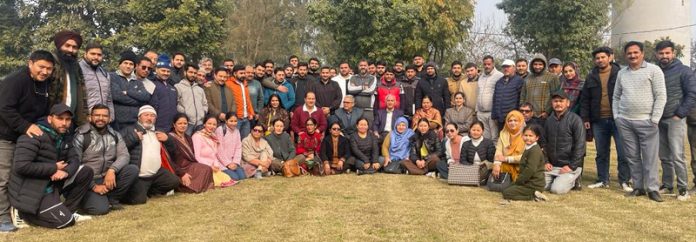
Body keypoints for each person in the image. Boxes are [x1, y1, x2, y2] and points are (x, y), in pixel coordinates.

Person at [9, 104, 93, 229]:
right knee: (66, 222)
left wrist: (66, 172)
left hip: (51, 183)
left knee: (86, 171)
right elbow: (21, 166)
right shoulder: (33, 135)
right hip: (31, 189)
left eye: (68, 119)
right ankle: (22, 213)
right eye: (60, 118)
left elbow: (74, 159)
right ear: (50, 119)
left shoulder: (64, 136)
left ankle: (67, 210)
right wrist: (53, 168)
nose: (64, 123)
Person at [0, 50, 56, 231]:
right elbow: (5, 108)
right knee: (4, 177)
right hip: (6, 137)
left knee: (23, 175)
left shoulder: (45, 84)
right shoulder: (15, 80)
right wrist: (25, 126)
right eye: (41, 67)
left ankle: (23, 213)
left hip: (26, 138)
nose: (45, 71)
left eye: (49, 68)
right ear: (30, 63)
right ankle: (2, 219)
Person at [614, 41, 666, 202]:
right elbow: (616, 96)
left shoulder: (654, 70)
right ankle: (638, 187)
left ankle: (653, 189)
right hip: (625, 122)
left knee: (650, 157)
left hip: (647, 122)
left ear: (642, 53)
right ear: (625, 55)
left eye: (636, 52)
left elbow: (661, 96)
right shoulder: (622, 73)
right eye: (629, 53)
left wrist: (655, 119)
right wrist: (617, 116)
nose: (632, 55)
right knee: (632, 156)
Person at [581, 47, 632, 192]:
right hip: (598, 120)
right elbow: (585, 99)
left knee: (623, 152)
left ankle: (625, 181)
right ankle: (603, 179)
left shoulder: (621, 73)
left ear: (610, 57)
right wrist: (586, 118)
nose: (600, 60)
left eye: (603, 57)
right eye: (597, 58)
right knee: (601, 152)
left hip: (619, 119)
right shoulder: (591, 76)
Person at [74, 104, 138, 215]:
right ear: (90, 117)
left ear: (109, 118)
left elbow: (124, 155)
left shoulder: (115, 135)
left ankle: (112, 198)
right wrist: (93, 186)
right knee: (100, 210)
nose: (100, 118)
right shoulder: (81, 135)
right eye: (97, 115)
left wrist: (112, 169)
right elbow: (75, 164)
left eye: (104, 116)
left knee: (132, 169)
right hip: (88, 180)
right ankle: (85, 200)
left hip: (108, 177)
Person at [654, 40, 696, 200]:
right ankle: (667, 184)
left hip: (675, 118)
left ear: (673, 53)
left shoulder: (684, 71)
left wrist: (680, 113)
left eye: (667, 53)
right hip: (659, 119)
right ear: (657, 54)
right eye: (661, 53)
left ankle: (683, 188)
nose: (664, 56)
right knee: (664, 155)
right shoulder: (656, 71)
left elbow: (692, 94)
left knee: (678, 154)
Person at [120, 105, 181, 205]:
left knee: (174, 181)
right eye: (146, 115)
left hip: (156, 174)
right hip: (139, 176)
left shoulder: (159, 131)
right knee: (139, 201)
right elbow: (118, 148)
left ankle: (149, 191)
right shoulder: (129, 130)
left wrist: (168, 139)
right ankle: (137, 192)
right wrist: (134, 138)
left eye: (152, 115)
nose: (149, 118)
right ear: (139, 117)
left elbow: (174, 150)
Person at [543, 91, 585, 195]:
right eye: (555, 101)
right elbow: (544, 143)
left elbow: (580, 146)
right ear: (552, 103)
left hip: (569, 166)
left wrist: (571, 166)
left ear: (568, 103)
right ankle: (557, 180)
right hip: (553, 166)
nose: (558, 104)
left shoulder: (576, 120)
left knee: (557, 190)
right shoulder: (548, 121)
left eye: (561, 101)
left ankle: (574, 180)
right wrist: (546, 161)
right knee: (539, 185)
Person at [49, 30, 89, 125]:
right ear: (59, 46)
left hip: (71, 121)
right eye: (67, 46)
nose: (71, 50)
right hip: (52, 120)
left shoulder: (76, 67)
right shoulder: (50, 63)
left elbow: (82, 95)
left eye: (74, 47)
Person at [169, 114, 214, 193]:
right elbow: (170, 160)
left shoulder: (188, 137)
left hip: (190, 165)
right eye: (180, 123)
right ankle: (192, 188)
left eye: (185, 123)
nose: (183, 126)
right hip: (178, 168)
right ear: (174, 125)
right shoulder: (170, 138)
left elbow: (192, 156)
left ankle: (199, 186)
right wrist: (181, 173)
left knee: (207, 169)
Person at [501, 124, 547, 202]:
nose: (528, 138)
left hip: (533, 183)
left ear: (537, 138)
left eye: (531, 136)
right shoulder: (528, 147)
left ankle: (533, 195)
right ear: (522, 136)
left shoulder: (534, 150)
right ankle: (531, 193)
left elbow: (530, 169)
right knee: (505, 188)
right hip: (526, 181)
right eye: (525, 135)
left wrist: (520, 181)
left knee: (507, 193)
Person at [193, 115, 245, 181]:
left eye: (214, 124)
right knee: (234, 178)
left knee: (242, 177)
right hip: (206, 166)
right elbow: (197, 157)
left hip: (216, 165)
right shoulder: (197, 136)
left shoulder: (213, 137)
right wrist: (226, 164)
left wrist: (235, 162)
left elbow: (215, 154)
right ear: (204, 124)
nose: (212, 126)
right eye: (209, 124)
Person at [111, 52, 151, 131]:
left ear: (134, 67)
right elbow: (117, 96)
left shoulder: (137, 81)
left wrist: (128, 92)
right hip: (116, 123)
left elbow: (146, 97)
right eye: (125, 63)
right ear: (120, 64)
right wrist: (138, 101)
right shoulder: (112, 77)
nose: (128, 66)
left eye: (131, 64)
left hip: (134, 122)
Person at [79, 42, 114, 122]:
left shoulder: (104, 73)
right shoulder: (77, 69)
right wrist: (84, 117)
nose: (96, 57)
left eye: (99, 55)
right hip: (84, 120)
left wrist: (111, 116)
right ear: (85, 54)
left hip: (102, 120)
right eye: (93, 54)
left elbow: (109, 98)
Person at [519, 54, 559, 120]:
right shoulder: (527, 78)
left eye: (540, 64)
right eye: (535, 64)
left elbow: (555, 96)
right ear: (532, 65)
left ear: (544, 65)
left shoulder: (552, 77)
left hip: (544, 116)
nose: (537, 67)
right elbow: (523, 96)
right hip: (529, 116)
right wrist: (523, 110)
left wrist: (547, 111)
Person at [491, 111, 525, 183]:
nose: (512, 123)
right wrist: (497, 164)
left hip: (521, 166)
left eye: (515, 120)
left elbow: (525, 157)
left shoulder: (526, 136)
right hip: (505, 165)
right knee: (496, 167)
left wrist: (507, 159)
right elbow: (498, 151)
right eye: (510, 121)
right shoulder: (503, 134)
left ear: (521, 122)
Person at [175, 63, 208, 135]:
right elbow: (176, 103)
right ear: (185, 72)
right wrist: (185, 113)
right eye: (190, 72)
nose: (193, 74)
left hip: (199, 123)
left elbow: (205, 104)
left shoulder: (200, 89)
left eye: (195, 73)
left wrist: (203, 112)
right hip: (187, 123)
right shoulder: (178, 87)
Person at [477, 55, 504, 141]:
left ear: (493, 64)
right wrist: (476, 110)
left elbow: (501, 94)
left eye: (489, 64)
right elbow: (478, 93)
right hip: (481, 113)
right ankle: (488, 154)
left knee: (495, 137)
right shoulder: (481, 77)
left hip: (492, 112)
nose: (486, 66)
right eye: (485, 64)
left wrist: (497, 112)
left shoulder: (499, 76)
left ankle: (496, 154)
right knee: (485, 137)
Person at [149, 55, 178, 132]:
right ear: (157, 70)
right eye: (163, 70)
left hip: (172, 128)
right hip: (157, 127)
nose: (166, 73)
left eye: (168, 71)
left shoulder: (173, 88)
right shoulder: (151, 84)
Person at [492, 59, 524, 130]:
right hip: (500, 118)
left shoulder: (519, 81)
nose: (505, 69)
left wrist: (518, 115)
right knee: (502, 138)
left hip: (512, 118)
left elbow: (521, 99)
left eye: (508, 67)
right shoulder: (499, 82)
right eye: (504, 67)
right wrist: (494, 115)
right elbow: (495, 99)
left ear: (514, 68)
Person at [226, 65, 256, 138]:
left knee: (245, 140)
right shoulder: (228, 83)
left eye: (244, 73)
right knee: (233, 139)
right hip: (236, 118)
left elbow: (247, 100)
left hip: (246, 118)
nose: (243, 75)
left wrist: (251, 113)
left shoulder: (245, 83)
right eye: (241, 73)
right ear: (235, 74)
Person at [348, 60, 378, 125]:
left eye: (365, 65)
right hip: (355, 109)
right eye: (361, 65)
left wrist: (356, 89)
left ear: (368, 67)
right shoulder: (353, 77)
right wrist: (362, 87)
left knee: (368, 128)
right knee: (355, 128)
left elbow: (370, 91)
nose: (363, 67)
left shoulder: (373, 78)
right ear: (358, 66)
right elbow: (350, 90)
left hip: (368, 109)